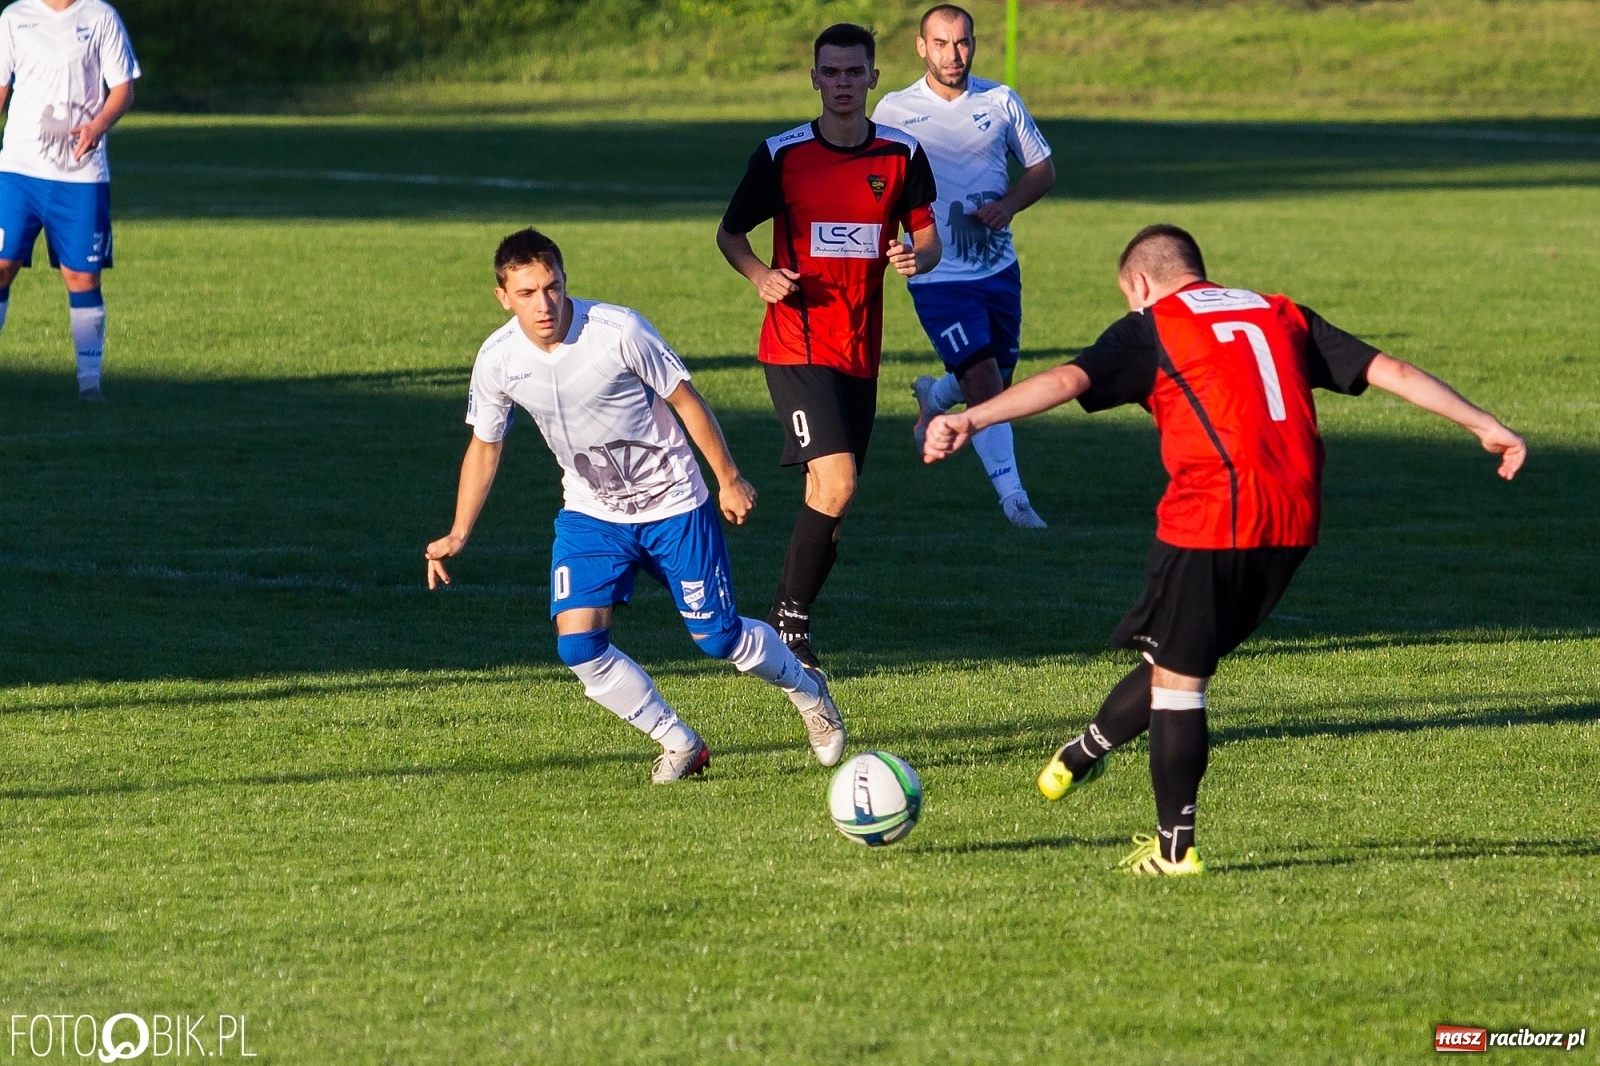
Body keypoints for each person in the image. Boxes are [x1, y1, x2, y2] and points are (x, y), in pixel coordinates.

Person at [924, 224, 1526, 874]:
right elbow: (1393, 370)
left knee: (1182, 681)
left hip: (1214, 512)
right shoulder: (1279, 312)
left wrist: (970, 416)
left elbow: (1067, 381)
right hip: (1295, 518)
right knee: (1178, 652)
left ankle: (1174, 849)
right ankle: (1080, 754)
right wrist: (1482, 422)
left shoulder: (1152, 324)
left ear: (1139, 284)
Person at [426, 228, 847, 784]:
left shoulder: (618, 330)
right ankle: (680, 743)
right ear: (503, 297)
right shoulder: (498, 358)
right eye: (526, 293)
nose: (544, 303)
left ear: (564, 279)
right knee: (578, 645)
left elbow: (686, 400)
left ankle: (806, 687)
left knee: (719, 639)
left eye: (551, 287)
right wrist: (458, 533)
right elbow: (485, 444)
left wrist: (728, 478)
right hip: (592, 514)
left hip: (675, 504)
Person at [715, 22, 941, 669]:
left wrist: (912, 256)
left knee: (831, 497)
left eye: (854, 72)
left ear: (873, 78)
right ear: (814, 78)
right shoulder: (782, 155)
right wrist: (761, 275)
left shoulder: (902, 154)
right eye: (831, 72)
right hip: (795, 342)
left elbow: (930, 241)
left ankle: (777, 626)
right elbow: (730, 234)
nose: (842, 84)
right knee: (836, 482)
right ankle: (789, 623)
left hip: (859, 350)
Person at [873, 3, 1055, 529]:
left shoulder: (1000, 100)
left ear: (973, 44)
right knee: (985, 385)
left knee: (997, 375)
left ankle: (936, 393)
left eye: (963, 43)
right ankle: (1014, 499)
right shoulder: (894, 111)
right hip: (937, 273)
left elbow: (1042, 169)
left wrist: (1009, 205)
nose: (954, 54)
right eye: (942, 43)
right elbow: (874, 186)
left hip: (998, 268)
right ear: (921, 47)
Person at [0, 0, 139, 400]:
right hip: (18, 170)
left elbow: (123, 89)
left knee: (82, 276)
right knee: (1, 265)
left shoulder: (100, 16)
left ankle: (89, 385)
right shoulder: (15, 16)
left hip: (80, 173)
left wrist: (97, 126)